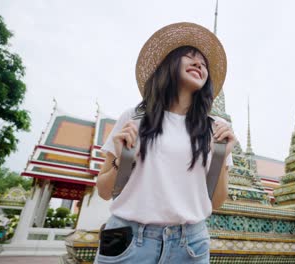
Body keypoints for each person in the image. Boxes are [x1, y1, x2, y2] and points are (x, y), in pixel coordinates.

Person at [94, 22, 236, 264]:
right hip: (129, 241)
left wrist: (220, 156)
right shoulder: (135, 117)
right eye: (190, 57)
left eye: (203, 63)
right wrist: (122, 160)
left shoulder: (215, 129)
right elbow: (105, 191)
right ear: (169, 65)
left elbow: (216, 202)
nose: (199, 64)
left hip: (190, 244)